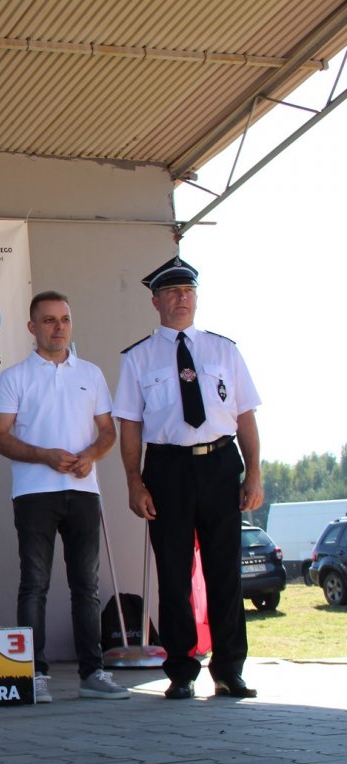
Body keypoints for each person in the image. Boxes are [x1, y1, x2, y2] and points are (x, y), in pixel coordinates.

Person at [113, 258, 263, 700]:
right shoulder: (138, 357)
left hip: (220, 464)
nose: (182, 299)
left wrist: (254, 472)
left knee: (225, 572)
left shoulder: (224, 350)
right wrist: (134, 481)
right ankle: (181, 671)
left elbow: (245, 416)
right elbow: (130, 427)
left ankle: (229, 669)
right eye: (172, 292)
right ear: (156, 301)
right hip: (167, 468)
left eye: (188, 291)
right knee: (173, 573)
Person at [0, 290, 128, 703]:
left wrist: (91, 455)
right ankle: (35, 673)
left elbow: (108, 432)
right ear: (33, 327)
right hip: (34, 493)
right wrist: (43, 456)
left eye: (64, 319)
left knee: (87, 586)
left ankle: (93, 673)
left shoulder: (92, 373)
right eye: (49, 320)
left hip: (83, 492)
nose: (58, 327)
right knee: (35, 585)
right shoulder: (15, 377)